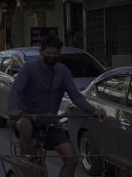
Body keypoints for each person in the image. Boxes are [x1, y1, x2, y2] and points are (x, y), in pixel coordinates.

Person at [8, 35, 106, 177]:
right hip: (28, 117)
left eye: (55, 54)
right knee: (25, 126)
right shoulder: (28, 69)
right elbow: (16, 91)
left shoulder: (63, 71)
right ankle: (29, 159)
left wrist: (94, 110)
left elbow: (76, 95)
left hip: (50, 122)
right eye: (49, 54)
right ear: (41, 52)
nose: (52, 57)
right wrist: (14, 109)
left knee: (71, 159)